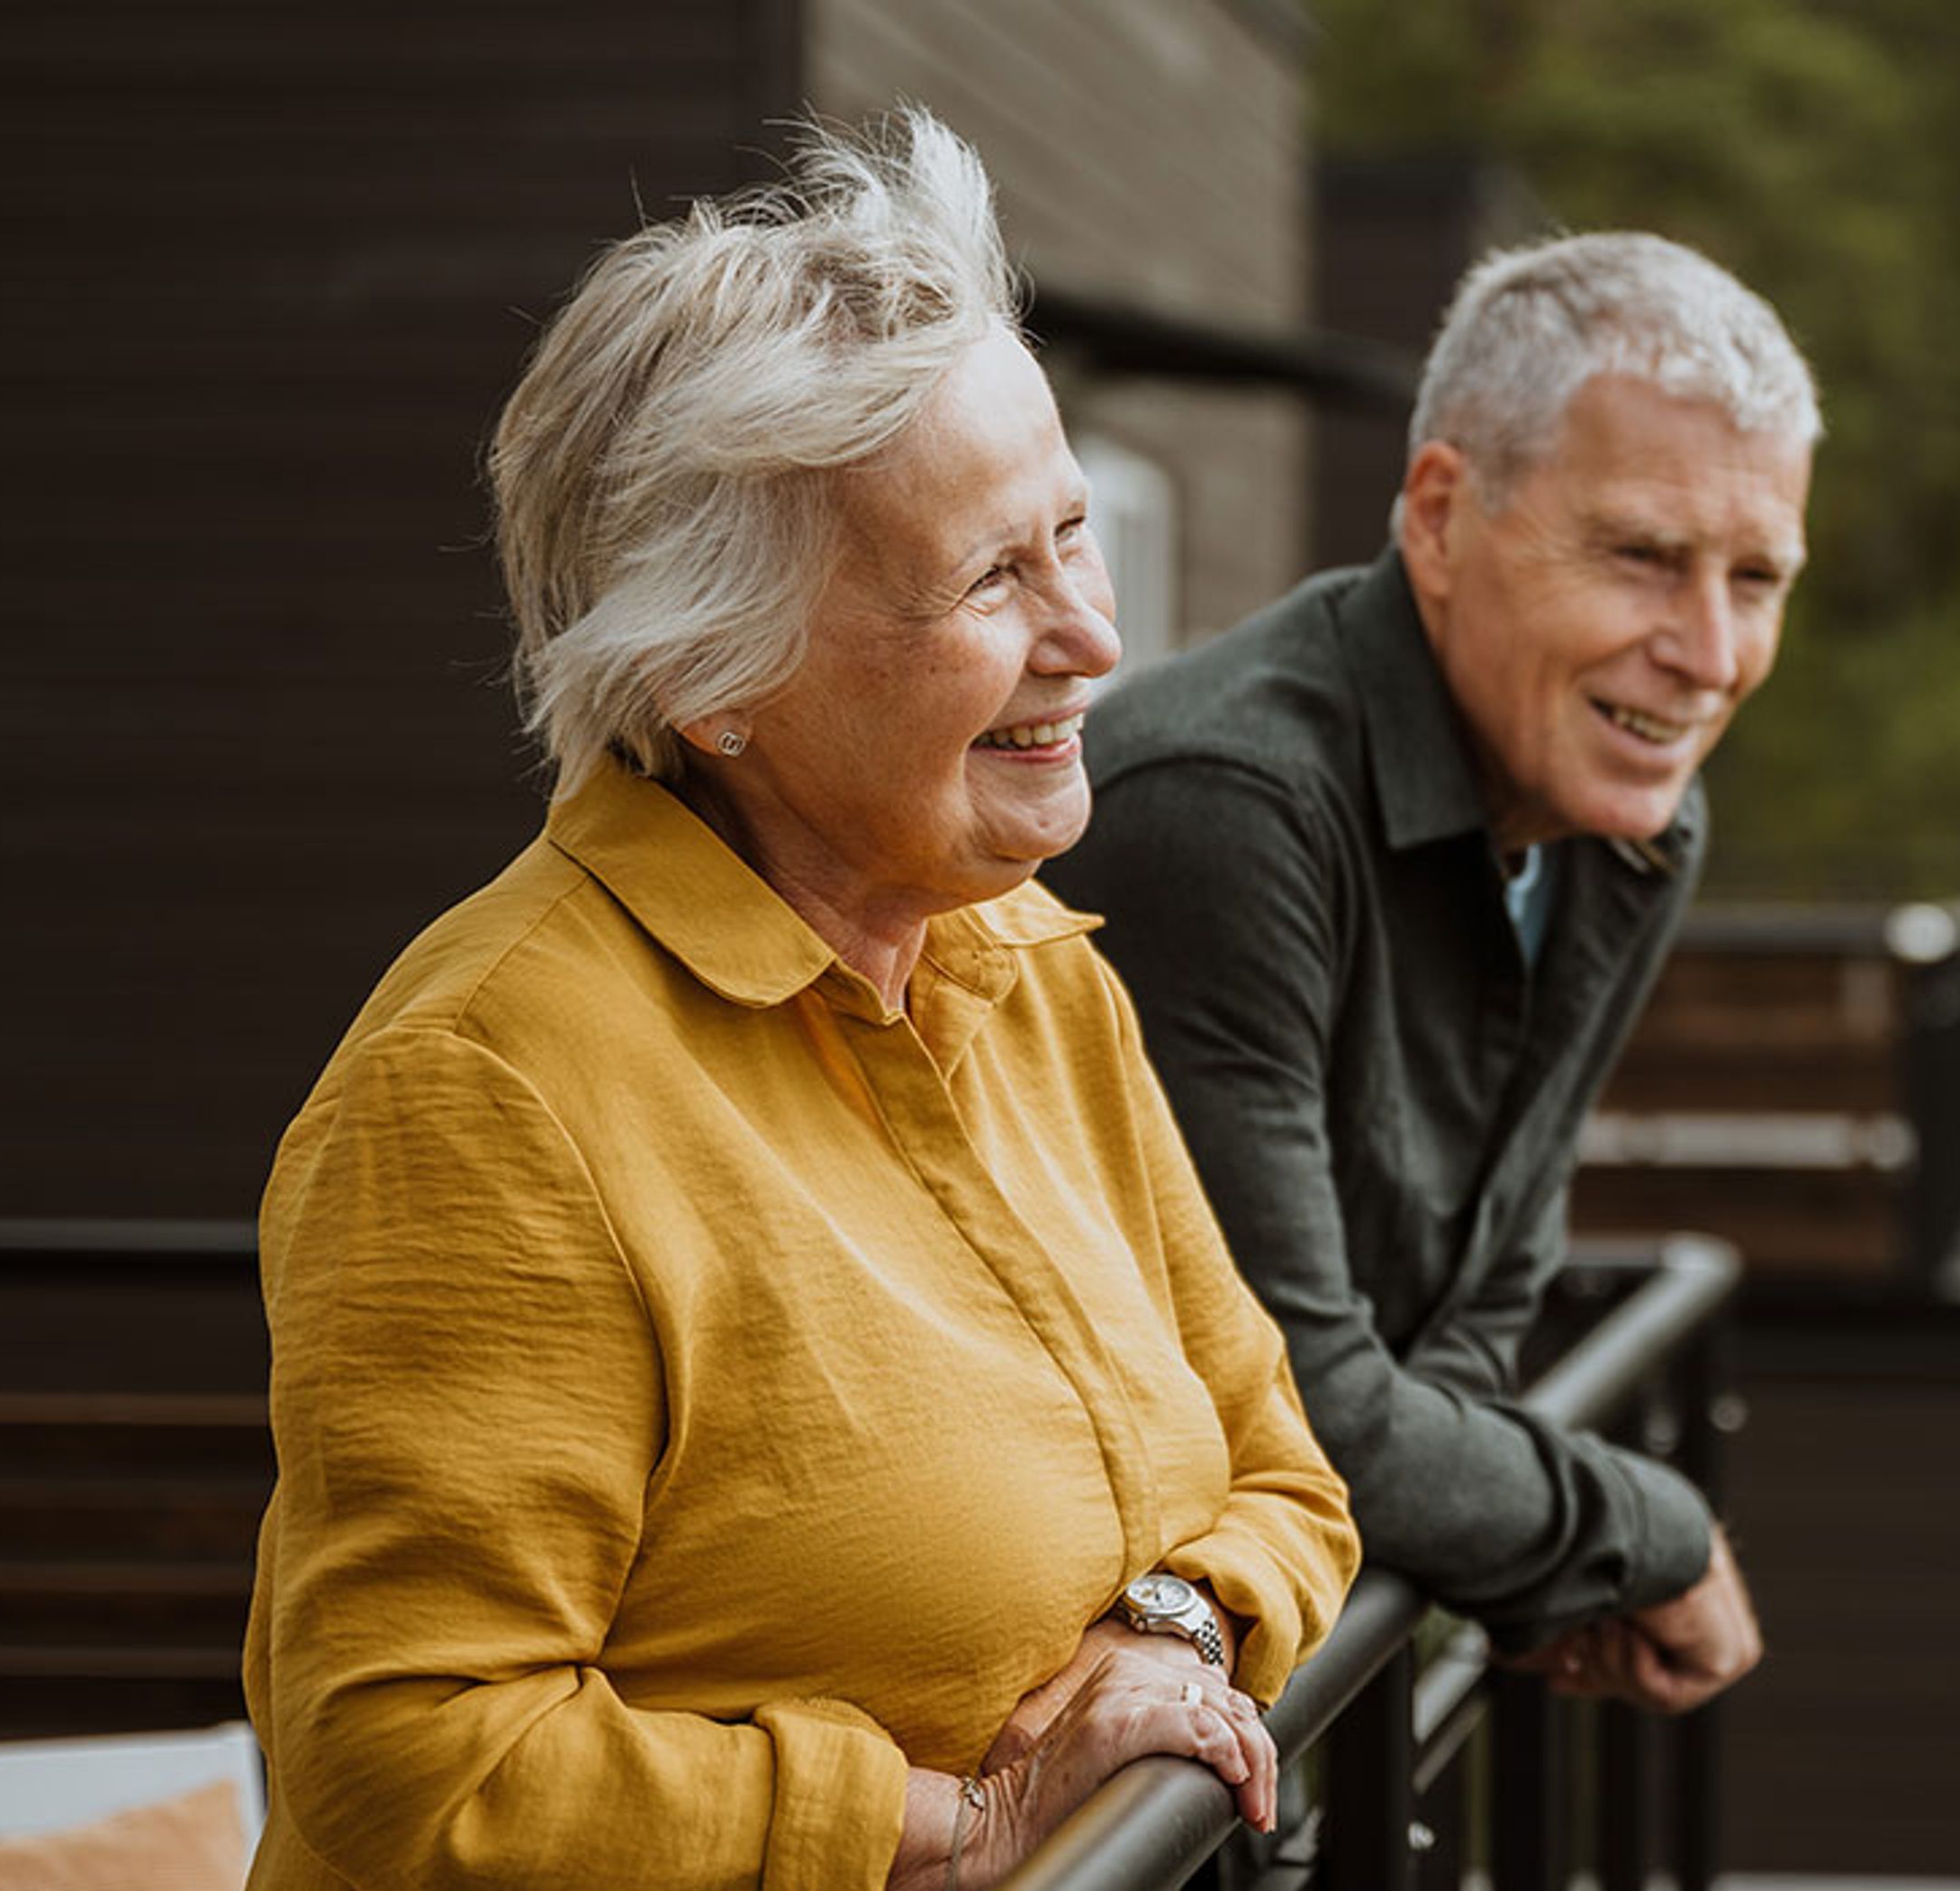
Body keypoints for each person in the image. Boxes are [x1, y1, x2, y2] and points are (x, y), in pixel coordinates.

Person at [241, 110, 1358, 1891]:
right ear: (714, 681)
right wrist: (964, 1826)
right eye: (997, 574)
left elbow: (1284, 1474)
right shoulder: (485, 1085)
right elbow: (411, 1761)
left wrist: (1168, 1637)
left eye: (1078, 535)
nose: (1094, 634)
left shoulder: (1035, 970)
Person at [1045, 233, 1815, 1713]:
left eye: (1759, 577)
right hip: (1066, 1691)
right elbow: (1292, 1405)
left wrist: (1503, 1539)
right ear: (1445, 518)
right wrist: (1635, 1533)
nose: (1710, 653)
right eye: (1645, 556)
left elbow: (1482, 1283)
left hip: (1273, 1643)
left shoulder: (1624, 806)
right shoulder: (1225, 808)